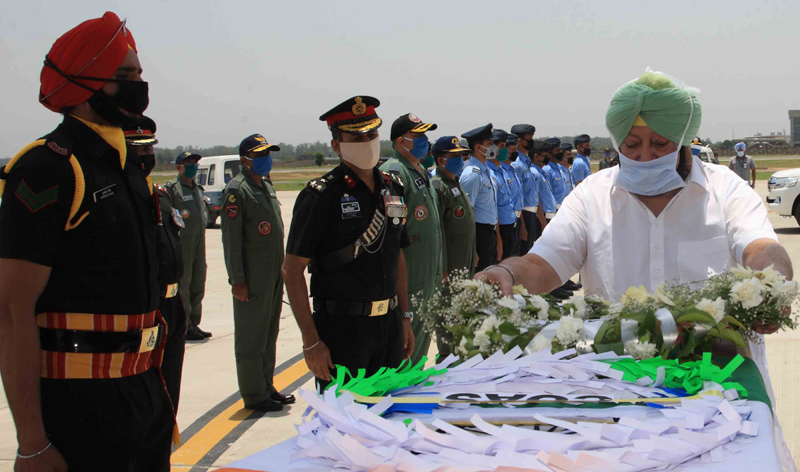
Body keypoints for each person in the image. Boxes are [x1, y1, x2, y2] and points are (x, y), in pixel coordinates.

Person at [474, 69, 796, 469]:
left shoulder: (725, 190)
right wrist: (505, 273)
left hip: (717, 386)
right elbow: (541, 265)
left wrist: (773, 281)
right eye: (632, 144)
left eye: (659, 144)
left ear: (682, 141)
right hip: (616, 388)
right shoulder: (592, 196)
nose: (644, 156)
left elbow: (762, 247)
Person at [0, 13, 175, 471]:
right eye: (123, 76)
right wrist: (32, 442)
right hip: (81, 405)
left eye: (138, 73)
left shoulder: (126, 170)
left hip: (144, 389)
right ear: (82, 83)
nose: (138, 84)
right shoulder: (49, 167)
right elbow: (11, 312)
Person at [282, 96, 414, 391]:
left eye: (372, 135)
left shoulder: (392, 187)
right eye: (356, 137)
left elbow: (398, 258)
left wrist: (405, 317)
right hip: (342, 331)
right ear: (337, 145)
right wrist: (311, 341)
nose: (367, 142)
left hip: (388, 327)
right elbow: (292, 270)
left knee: (389, 423)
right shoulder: (321, 196)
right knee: (343, 429)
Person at [125, 116, 187, 460]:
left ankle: (159, 456)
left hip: (172, 310)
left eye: (149, 147)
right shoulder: (120, 200)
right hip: (142, 313)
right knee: (141, 404)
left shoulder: (160, 198)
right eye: (137, 148)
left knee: (168, 399)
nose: (145, 155)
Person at [221, 134, 293, 411]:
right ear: (244, 160)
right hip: (252, 279)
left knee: (268, 334)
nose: (266, 160)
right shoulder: (237, 191)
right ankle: (253, 394)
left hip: (273, 275)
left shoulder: (264, 186)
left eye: (267, 155)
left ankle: (266, 385)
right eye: (260, 155)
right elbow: (232, 242)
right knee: (252, 337)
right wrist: (237, 281)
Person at [380, 113, 442, 365]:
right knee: (408, 332)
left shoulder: (419, 170)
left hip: (428, 268)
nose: (425, 141)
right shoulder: (394, 172)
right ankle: (405, 384)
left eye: (425, 136)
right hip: (411, 267)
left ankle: (414, 377)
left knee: (423, 327)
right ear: (400, 141)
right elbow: (392, 234)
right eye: (417, 136)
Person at [431, 136, 476, 357]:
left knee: (462, 307)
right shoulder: (438, 187)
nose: (460, 159)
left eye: (462, 155)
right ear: (441, 161)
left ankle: (459, 351)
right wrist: (443, 266)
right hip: (451, 264)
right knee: (448, 310)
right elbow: (437, 231)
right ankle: (446, 355)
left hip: (464, 260)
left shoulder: (455, 183)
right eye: (454, 156)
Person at [165, 151, 211, 341]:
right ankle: (183, 325)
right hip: (183, 244)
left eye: (195, 163)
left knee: (198, 283)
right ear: (179, 166)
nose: (192, 166)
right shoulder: (173, 189)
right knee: (183, 285)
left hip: (199, 244)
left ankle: (194, 322)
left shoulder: (198, 189)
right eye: (188, 163)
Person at [460, 124, 499, 271]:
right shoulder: (472, 174)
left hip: (489, 231)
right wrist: (472, 248)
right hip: (479, 233)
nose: (493, 147)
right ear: (478, 147)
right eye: (489, 144)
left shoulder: (486, 171)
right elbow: (466, 214)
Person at [487, 129, 517, 261]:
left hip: (510, 224)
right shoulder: (490, 174)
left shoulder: (502, 171)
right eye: (502, 147)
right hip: (500, 230)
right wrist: (498, 240)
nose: (505, 150)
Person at [510, 124, 539, 256]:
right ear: (520, 141)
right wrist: (522, 224)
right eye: (529, 139)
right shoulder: (517, 164)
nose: (531, 142)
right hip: (523, 214)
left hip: (531, 212)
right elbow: (516, 196)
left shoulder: (526, 161)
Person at [504, 133, 524, 256]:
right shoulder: (501, 172)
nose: (515, 154)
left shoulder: (512, 169)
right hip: (506, 223)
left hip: (516, 219)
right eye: (513, 151)